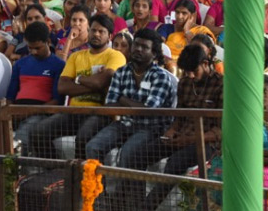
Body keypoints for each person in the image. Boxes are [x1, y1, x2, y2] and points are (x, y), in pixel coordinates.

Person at [84, 29, 177, 208]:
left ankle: (132, 205)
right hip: (125, 123)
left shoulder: (161, 77)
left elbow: (148, 111)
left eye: (145, 47)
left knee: (128, 153)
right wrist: (130, 105)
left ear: (154, 53)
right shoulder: (122, 72)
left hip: (152, 127)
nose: (138, 49)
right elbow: (110, 106)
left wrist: (123, 100)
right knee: (93, 146)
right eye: (136, 45)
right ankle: (99, 198)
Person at [30, 13, 126, 159]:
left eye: (101, 32)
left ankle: (82, 178)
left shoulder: (115, 56)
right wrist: (94, 84)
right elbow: (62, 87)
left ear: (110, 37)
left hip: (100, 113)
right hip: (74, 112)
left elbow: (102, 81)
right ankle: (53, 171)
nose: (96, 34)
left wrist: (78, 79)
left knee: (83, 137)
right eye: (93, 30)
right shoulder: (76, 56)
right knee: (38, 131)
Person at [149, 41, 222, 206]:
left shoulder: (221, 84)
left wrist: (190, 140)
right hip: (183, 136)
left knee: (174, 163)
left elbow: (221, 130)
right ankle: (131, 199)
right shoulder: (185, 82)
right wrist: (172, 131)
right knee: (142, 152)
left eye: (194, 71)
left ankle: (146, 207)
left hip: (208, 142)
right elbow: (179, 117)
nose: (189, 76)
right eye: (186, 72)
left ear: (205, 63)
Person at [8, 20, 65, 153]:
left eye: (37, 48)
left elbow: (57, 101)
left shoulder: (58, 65)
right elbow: (10, 95)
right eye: (30, 48)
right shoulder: (20, 64)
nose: (33, 52)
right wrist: (9, 113)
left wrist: (27, 112)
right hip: (17, 111)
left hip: (41, 113)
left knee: (21, 137)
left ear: (48, 43)